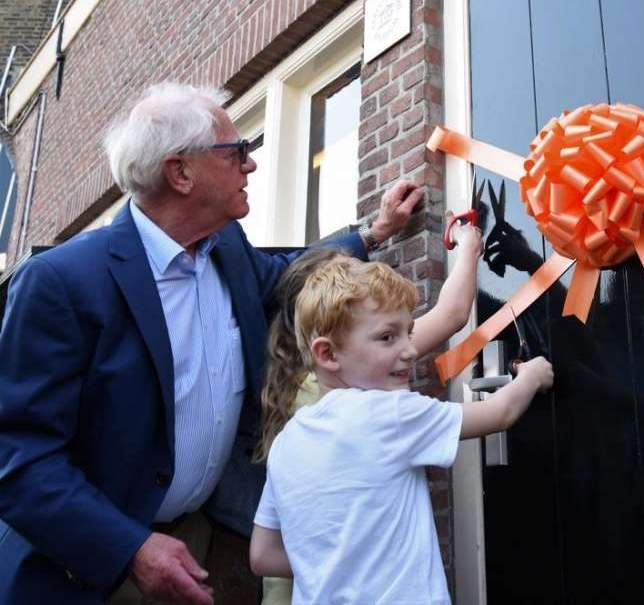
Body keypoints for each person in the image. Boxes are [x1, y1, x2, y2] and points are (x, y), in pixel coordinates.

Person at [0, 82, 421, 604]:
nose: (251, 164)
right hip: (86, 568)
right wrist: (129, 548)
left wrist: (373, 233)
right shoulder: (62, 282)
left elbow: (286, 276)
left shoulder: (225, 248)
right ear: (180, 173)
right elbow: (19, 458)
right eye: (237, 152)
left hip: (199, 542)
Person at [248, 256, 554, 604]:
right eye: (387, 337)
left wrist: (336, 562)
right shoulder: (388, 413)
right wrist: (532, 375)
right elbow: (501, 412)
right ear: (328, 354)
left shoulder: (285, 444)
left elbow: (262, 555)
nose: (409, 350)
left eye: (408, 332)